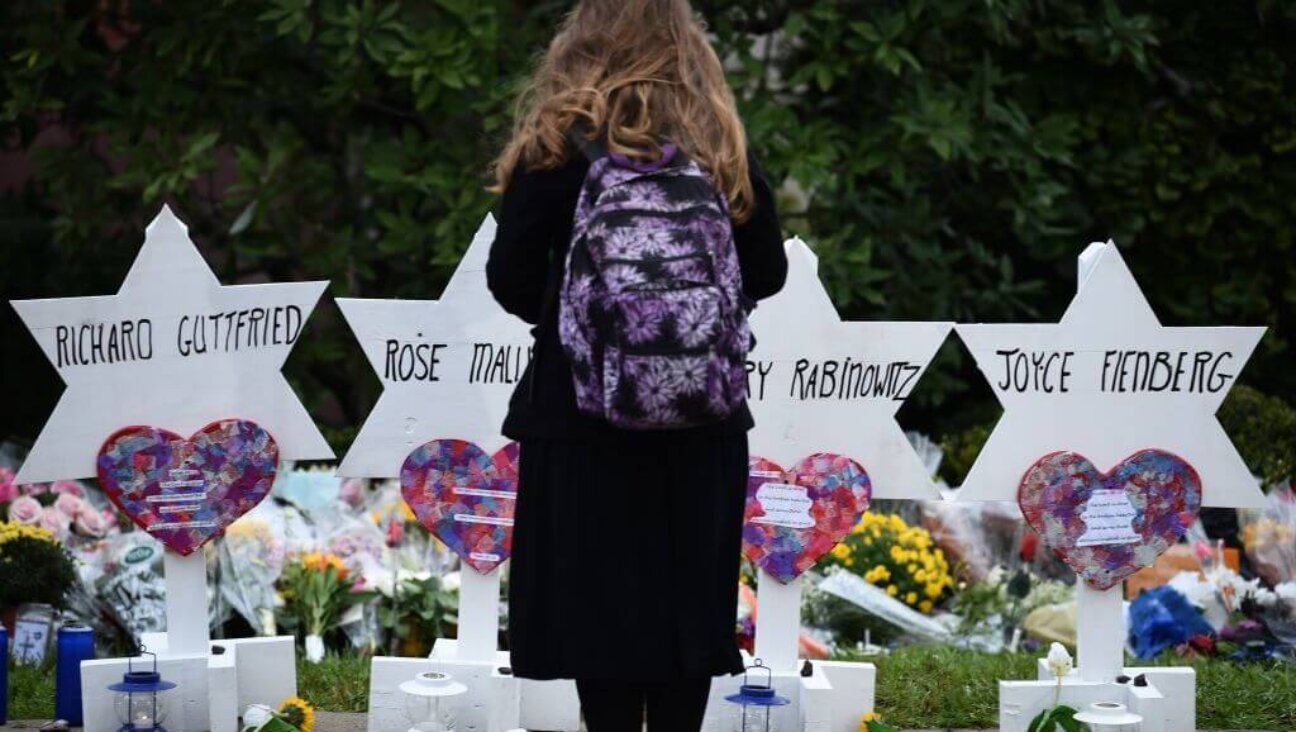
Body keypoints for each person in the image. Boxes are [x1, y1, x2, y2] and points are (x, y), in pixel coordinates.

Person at [486, 1, 787, 729]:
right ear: (690, 51)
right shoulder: (717, 149)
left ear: (579, 46)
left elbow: (509, 279)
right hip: (701, 422)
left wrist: (592, 322)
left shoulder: (558, 150)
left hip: (579, 422)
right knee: (686, 628)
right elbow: (768, 271)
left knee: (603, 633)